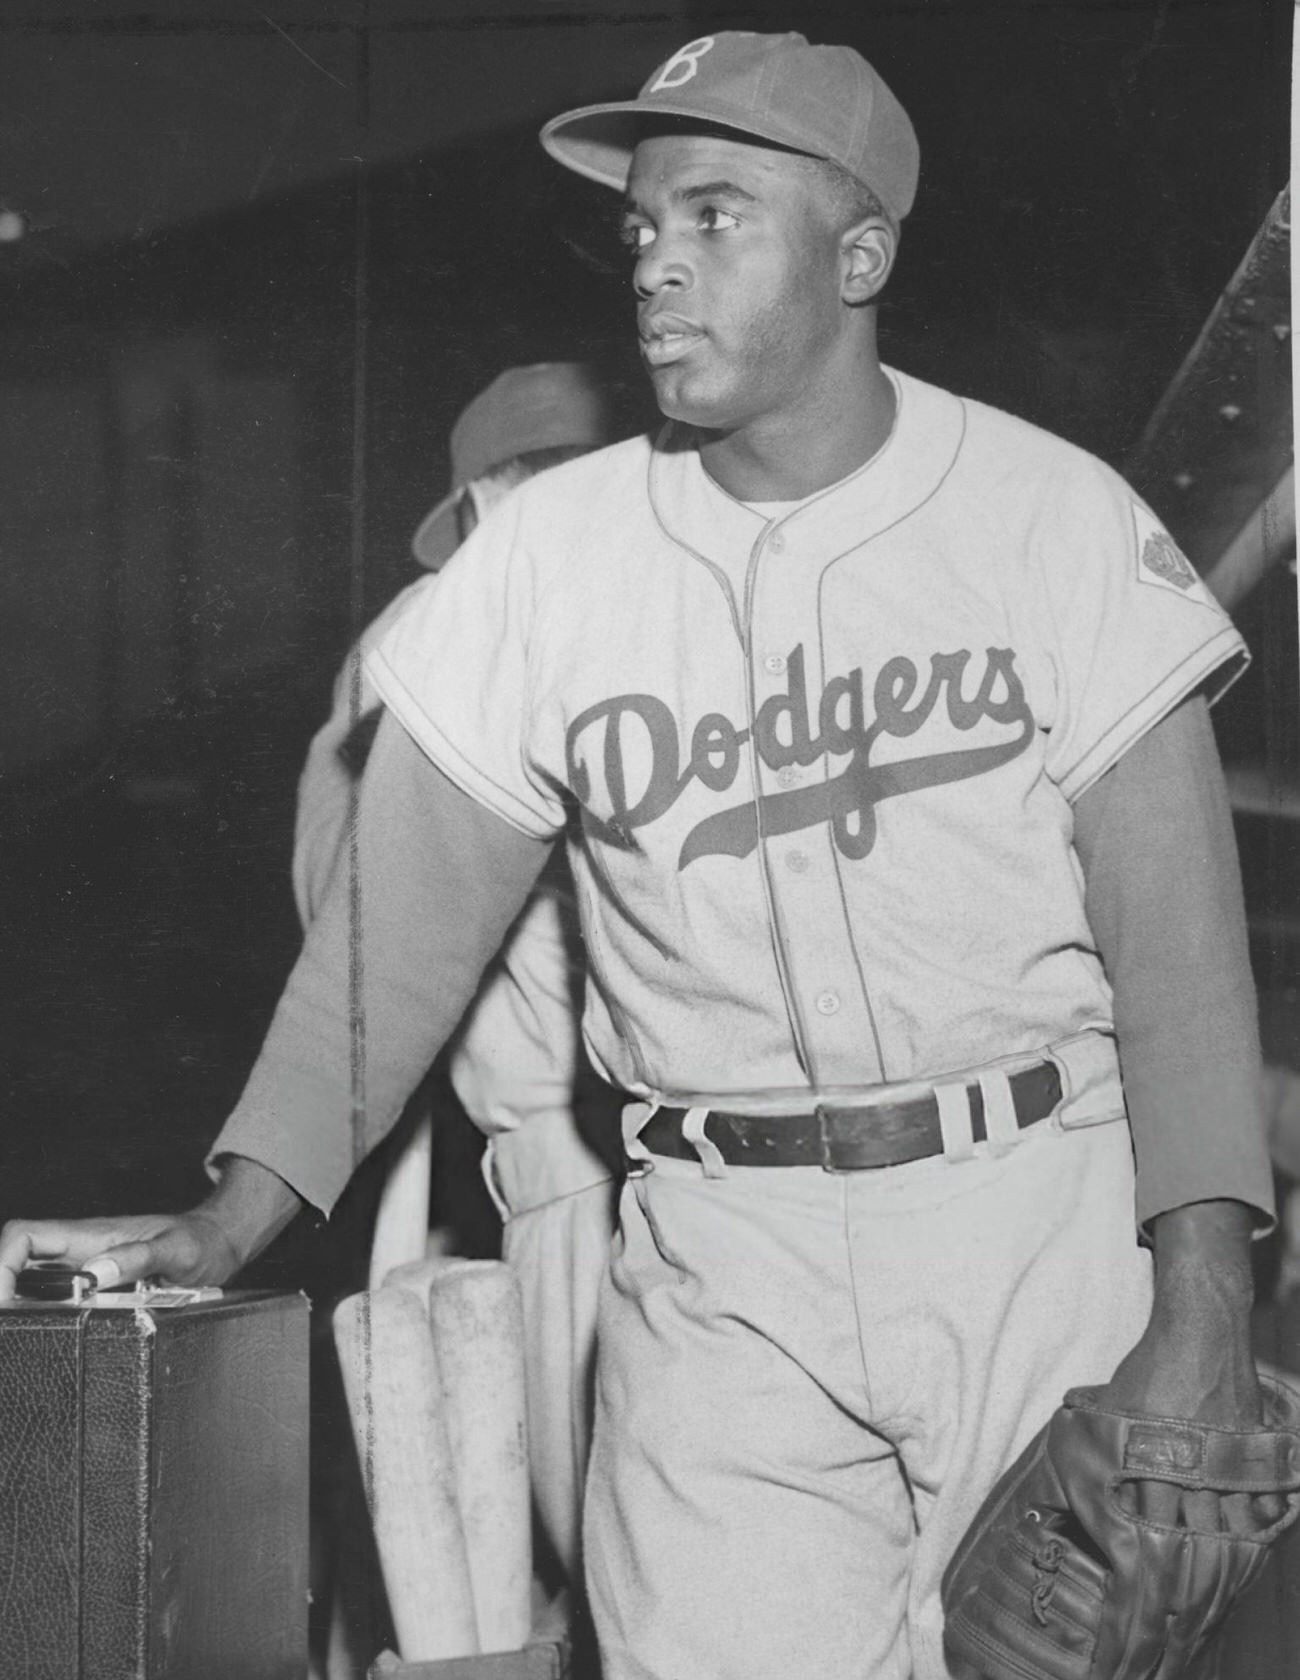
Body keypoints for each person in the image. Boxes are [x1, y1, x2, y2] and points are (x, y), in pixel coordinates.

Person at [0, 32, 1277, 1680]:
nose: (659, 262)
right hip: (717, 1255)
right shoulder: (549, 561)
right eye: (644, 229)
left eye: (718, 215)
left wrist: (1205, 1315)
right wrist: (237, 1215)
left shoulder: (1057, 521)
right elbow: (390, 947)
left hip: (1037, 1214)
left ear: (860, 250)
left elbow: (1180, 957)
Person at [299, 360, 624, 1597]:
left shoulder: (665, 614)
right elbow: (341, 917)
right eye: (534, 483)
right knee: (612, 1579)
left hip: (714, 1174)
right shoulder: (419, 644)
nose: (562, 507)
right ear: (483, 503)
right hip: (569, 1172)